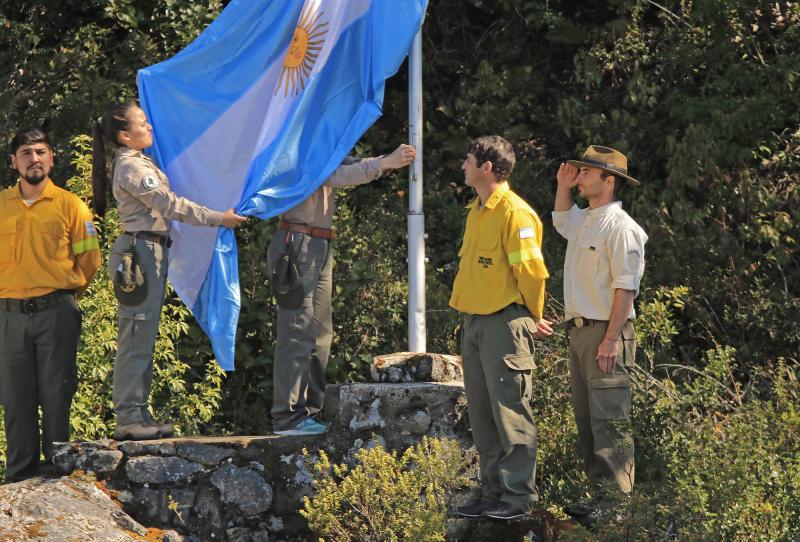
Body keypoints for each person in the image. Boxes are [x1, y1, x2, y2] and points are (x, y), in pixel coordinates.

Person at [91, 103, 247, 441]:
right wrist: (218, 217)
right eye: (143, 123)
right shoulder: (133, 167)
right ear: (124, 135)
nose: (150, 127)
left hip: (150, 251)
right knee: (135, 336)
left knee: (143, 336)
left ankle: (139, 413)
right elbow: (170, 204)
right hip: (139, 254)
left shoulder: (139, 162)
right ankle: (129, 416)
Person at [268, 143, 416, 436]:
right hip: (297, 243)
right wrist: (385, 162)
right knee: (297, 330)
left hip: (319, 242)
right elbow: (335, 175)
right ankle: (287, 416)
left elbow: (347, 161)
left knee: (320, 333)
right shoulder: (297, 140)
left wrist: (383, 160)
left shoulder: (318, 138)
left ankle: (308, 411)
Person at [449, 135, 553, 520]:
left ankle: (518, 498)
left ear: (487, 167)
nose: (463, 164)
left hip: (503, 324)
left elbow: (531, 271)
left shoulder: (514, 212)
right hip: (474, 322)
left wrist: (533, 314)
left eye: (469, 158)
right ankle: (492, 493)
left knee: (511, 412)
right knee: (482, 415)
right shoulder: (477, 210)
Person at [0, 128, 101, 483]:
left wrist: (65, 298)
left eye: (41, 151)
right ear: (14, 162)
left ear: (52, 158)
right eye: (26, 153)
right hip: (8, 316)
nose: (34, 159)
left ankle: (58, 476)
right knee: (14, 398)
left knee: (57, 392)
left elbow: (89, 261)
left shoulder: (71, 205)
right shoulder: (0, 205)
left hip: (56, 311)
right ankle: (19, 477)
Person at [552, 145, 647, 518]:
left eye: (587, 173)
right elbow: (562, 219)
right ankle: (599, 501)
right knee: (588, 419)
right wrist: (562, 185)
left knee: (610, 419)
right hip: (580, 333)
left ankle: (617, 509)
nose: (580, 177)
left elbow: (626, 287)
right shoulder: (587, 219)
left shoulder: (622, 228)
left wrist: (610, 339)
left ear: (609, 181)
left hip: (606, 332)